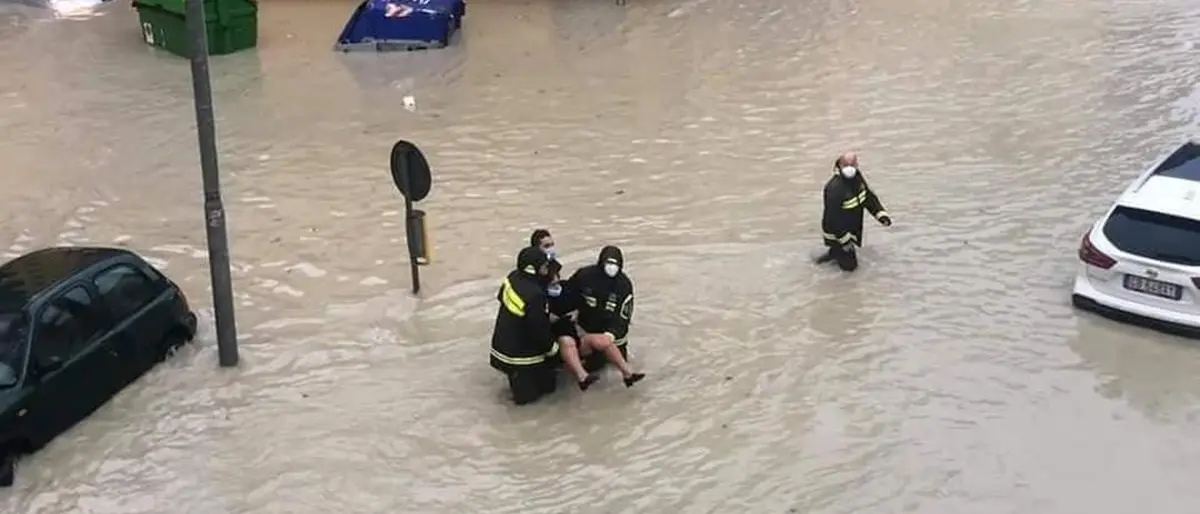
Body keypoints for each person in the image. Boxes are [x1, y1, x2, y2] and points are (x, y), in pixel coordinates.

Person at [489, 246, 561, 405]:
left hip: (501, 348)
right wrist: (555, 352)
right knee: (537, 398)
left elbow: (502, 297)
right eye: (543, 267)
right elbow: (539, 331)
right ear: (532, 269)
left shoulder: (512, 278)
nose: (545, 270)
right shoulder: (535, 295)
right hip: (521, 358)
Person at [567, 245, 646, 387]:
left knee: (617, 365)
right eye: (608, 264)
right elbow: (568, 294)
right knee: (593, 367)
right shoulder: (585, 276)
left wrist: (612, 334)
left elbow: (624, 315)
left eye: (615, 265)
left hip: (613, 333)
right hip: (587, 329)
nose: (611, 268)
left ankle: (627, 375)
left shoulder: (624, 284)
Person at [816, 152, 893, 271]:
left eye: (852, 164)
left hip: (851, 228)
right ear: (839, 166)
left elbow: (867, 197)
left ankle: (828, 258)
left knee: (839, 254)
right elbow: (832, 218)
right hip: (838, 233)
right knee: (851, 269)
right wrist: (845, 240)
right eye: (846, 165)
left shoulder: (857, 179)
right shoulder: (834, 188)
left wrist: (881, 215)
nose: (850, 168)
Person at [546, 260, 600, 391]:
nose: (555, 282)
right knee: (567, 342)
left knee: (600, 341)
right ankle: (582, 376)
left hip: (572, 327)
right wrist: (549, 317)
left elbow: (581, 303)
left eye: (556, 278)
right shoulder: (540, 295)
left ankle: (628, 372)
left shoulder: (567, 287)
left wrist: (577, 312)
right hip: (555, 332)